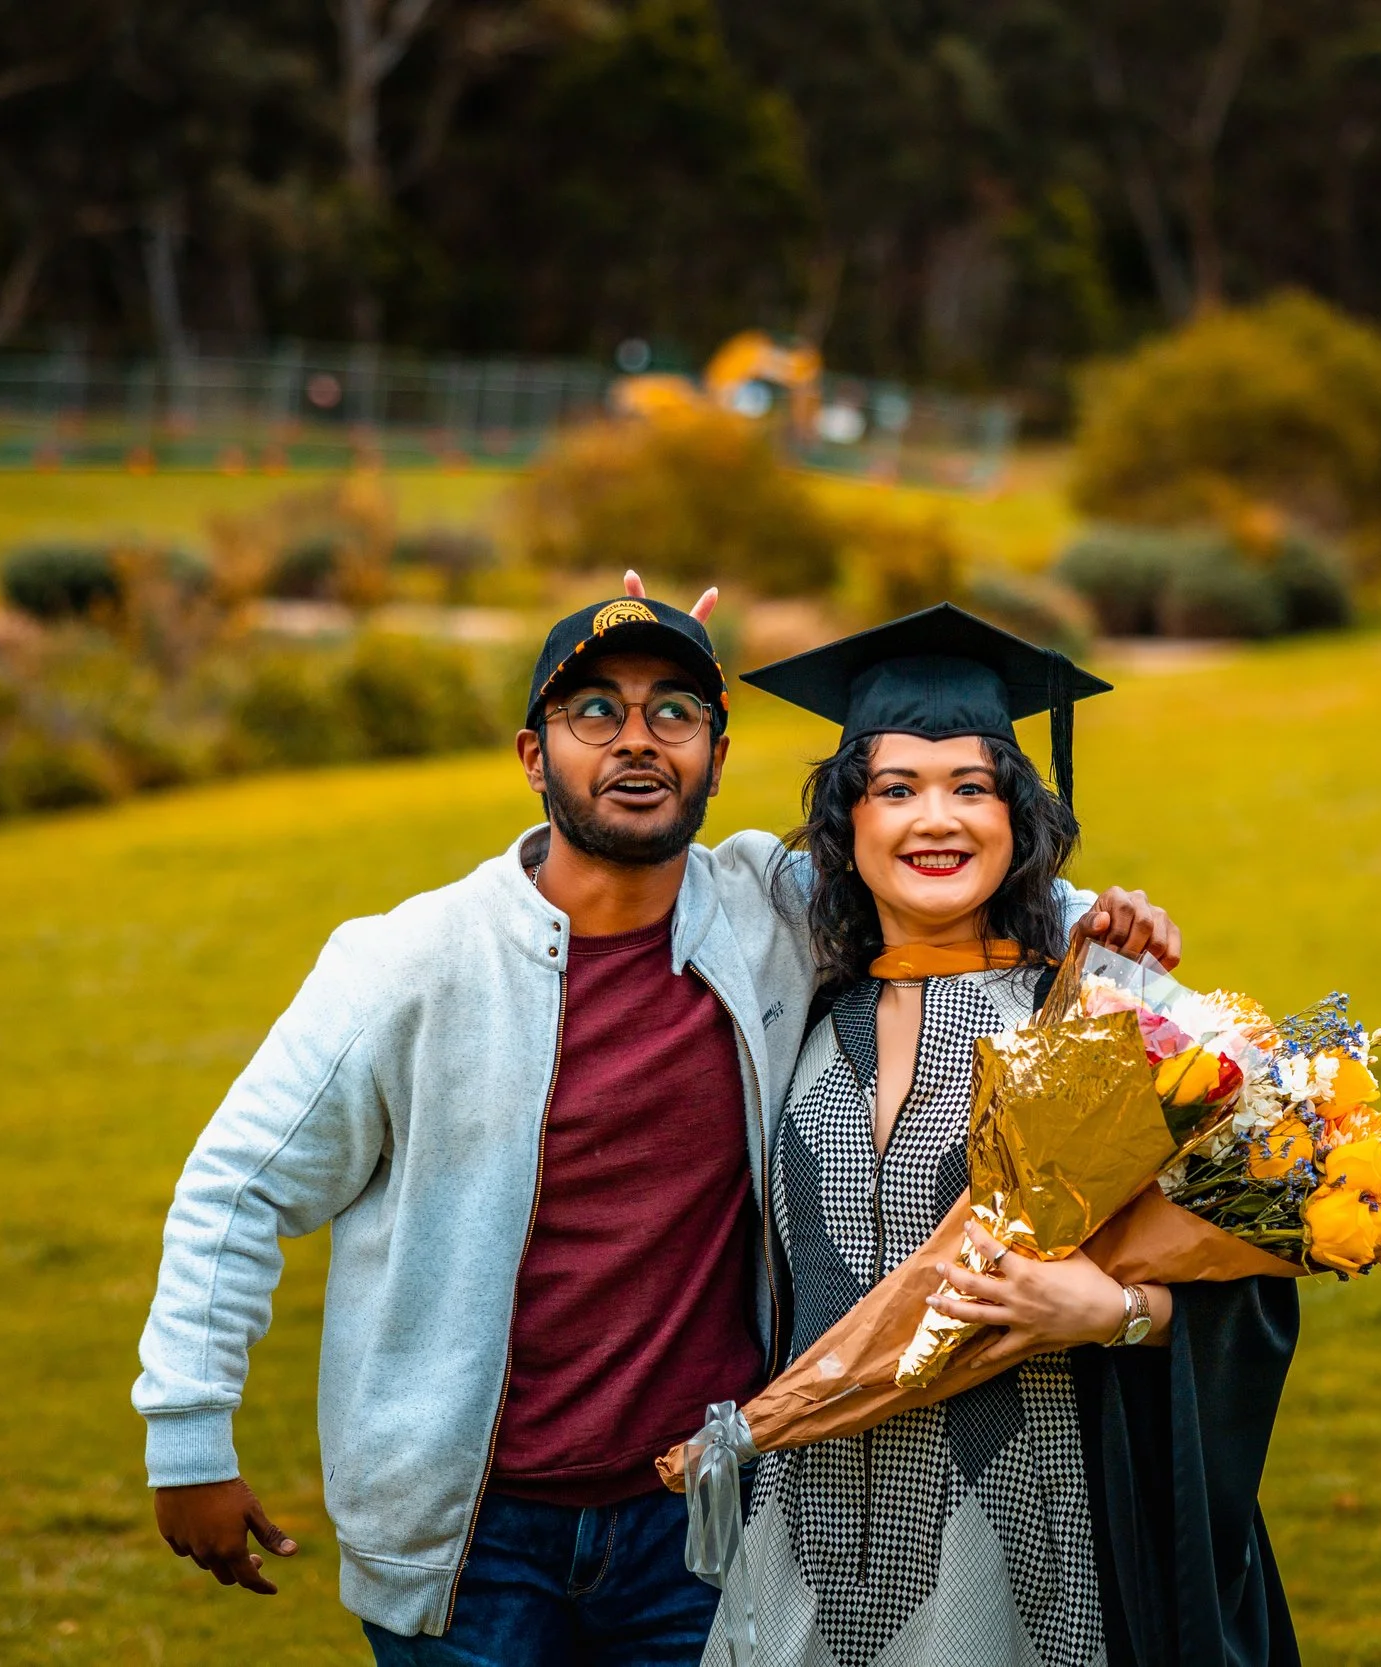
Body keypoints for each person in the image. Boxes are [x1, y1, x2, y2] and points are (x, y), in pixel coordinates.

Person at [133, 580, 1183, 1664]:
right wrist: (188, 1441)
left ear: (717, 760)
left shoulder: (767, 912)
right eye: (595, 711)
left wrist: (1092, 913)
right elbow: (239, 1186)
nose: (636, 741)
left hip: (700, 1512)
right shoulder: (408, 964)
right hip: (473, 1531)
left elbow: (930, 861)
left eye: (672, 711)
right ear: (532, 756)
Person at [710, 605, 1302, 1667]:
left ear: (1018, 819)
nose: (934, 819)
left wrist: (1119, 1311)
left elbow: (1257, 1270)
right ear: (846, 826)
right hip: (804, 1545)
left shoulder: (1105, 1012)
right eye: (895, 789)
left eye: (970, 787)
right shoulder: (796, 1006)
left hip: (1035, 1551)